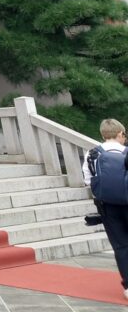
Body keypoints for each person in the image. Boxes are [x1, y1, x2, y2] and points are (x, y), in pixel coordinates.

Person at [83, 118, 128, 299]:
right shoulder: (126, 152)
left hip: (107, 206)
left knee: (121, 245)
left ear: (103, 134)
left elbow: (88, 180)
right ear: (119, 134)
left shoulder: (92, 154)